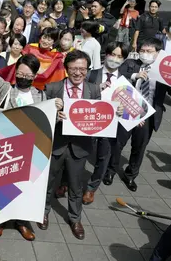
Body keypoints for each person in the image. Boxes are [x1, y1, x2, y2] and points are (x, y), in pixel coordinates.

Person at [0, 30, 63, 241]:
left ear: (35, 76)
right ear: (15, 72)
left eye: (29, 75)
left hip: (30, 152)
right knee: (2, 188)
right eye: (20, 73)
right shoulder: (6, 91)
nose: (24, 78)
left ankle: (21, 222)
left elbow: (49, 122)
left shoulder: (42, 95)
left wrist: (58, 111)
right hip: (5, 150)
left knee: (25, 189)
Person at [39, 50, 101, 240]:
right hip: (56, 144)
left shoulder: (94, 90)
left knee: (76, 186)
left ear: (87, 70)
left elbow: (99, 117)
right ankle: (43, 212)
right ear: (66, 69)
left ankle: (75, 219)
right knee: (48, 183)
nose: (78, 73)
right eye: (73, 68)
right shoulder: (52, 88)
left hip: (79, 147)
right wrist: (53, 115)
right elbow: (40, 118)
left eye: (82, 69)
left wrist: (115, 112)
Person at [104, 38, 168, 191]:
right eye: (142, 51)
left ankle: (131, 175)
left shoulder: (162, 70)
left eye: (149, 51)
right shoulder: (131, 64)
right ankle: (110, 171)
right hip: (128, 109)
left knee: (139, 147)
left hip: (149, 115)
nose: (145, 54)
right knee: (118, 143)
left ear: (158, 53)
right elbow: (118, 75)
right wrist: (135, 76)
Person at [80, 42, 130, 204]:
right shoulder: (91, 75)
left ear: (124, 60)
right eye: (112, 54)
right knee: (79, 153)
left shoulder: (125, 80)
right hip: (90, 120)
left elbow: (130, 104)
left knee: (103, 157)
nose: (115, 59)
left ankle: (91, 188)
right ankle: (67, 182)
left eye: (119, 56)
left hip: (111, 124)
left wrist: (125, 112)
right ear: (106, 54)